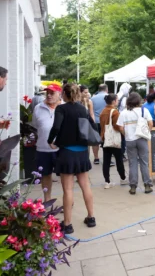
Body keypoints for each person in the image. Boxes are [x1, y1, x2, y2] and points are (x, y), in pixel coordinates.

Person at [47, 84, 96, 234]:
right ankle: (91, 217)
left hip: (67, 152)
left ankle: (67, 224)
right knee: (85, 185)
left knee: (68, 190)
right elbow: (92, 126)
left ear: (64, 94)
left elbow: (56, 127)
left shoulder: (61, 109)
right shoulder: (83, 109)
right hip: (82, 152)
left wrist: (51, 141)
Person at [117, 93, 154, 195]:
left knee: (132, 163)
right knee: (144, 163)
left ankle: (133, 187)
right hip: (142, 139)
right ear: (138, 101)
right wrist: (147, 132)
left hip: (130, 140)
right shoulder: (144, 110)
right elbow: (151, 123)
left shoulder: (124, 112)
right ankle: (147, 185)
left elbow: (120, 127)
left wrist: (126, 134)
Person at [32, 83, 62, 202]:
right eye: (47, 93)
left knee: (65, 176)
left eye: (52, 93)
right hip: (43, 148)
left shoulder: (64, 107)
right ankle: (47, 200)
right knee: (45, 175)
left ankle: (67, 201)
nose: (49, 95)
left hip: (61, 149)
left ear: (59, 94)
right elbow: (35, 125)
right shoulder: (38, 108)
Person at [99, 93, 128, 189]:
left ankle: (107, 181)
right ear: (114, 101)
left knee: (106, 161)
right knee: (119, 160)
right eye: (117, 100)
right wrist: (124, 134)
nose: (118, 101)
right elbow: (117, 126)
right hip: (114, 139)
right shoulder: (114, 112)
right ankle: (123, 178)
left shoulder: (103, 111)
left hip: (105, 139)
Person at [90, 84, 108, 165]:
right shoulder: (108, 97)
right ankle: (107, 158)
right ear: (106, 89)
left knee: (95, 141)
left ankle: (96, 158)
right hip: (106, 121)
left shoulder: (92, 98)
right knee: (106, 141)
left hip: (95, 121)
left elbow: (91, 110)